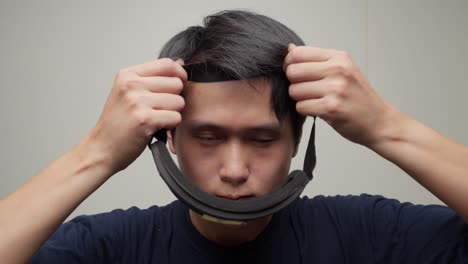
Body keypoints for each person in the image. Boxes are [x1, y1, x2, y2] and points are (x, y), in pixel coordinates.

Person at [1, 9, 467, 264]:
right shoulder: (110, 246)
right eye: (207, 136)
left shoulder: (370, 234)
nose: (235, 170)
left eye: (263, 140)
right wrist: (96, 152)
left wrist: (388, 128)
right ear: (171, 137)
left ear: (295, 139)